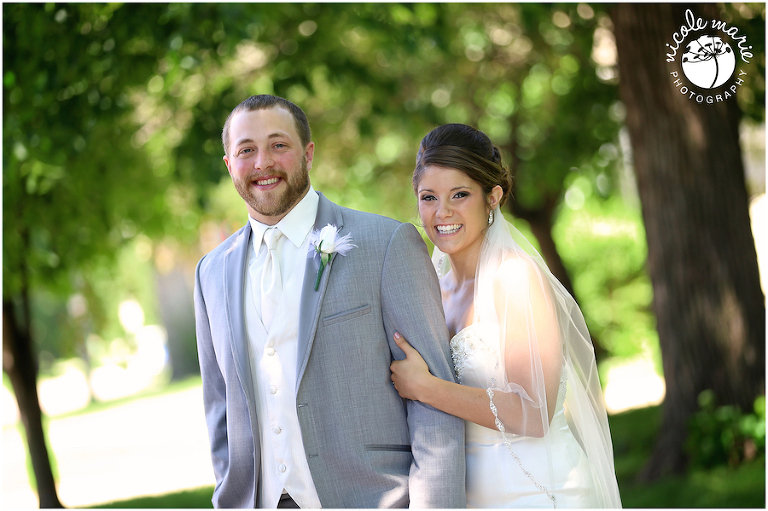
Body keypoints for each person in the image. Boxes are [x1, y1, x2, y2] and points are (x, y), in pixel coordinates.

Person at [194, 95, 466, 508]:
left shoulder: (386, 244)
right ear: (230, 164)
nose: (263, 162)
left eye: (278, 145)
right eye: (246, 150)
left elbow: (436, 401)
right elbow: (220, 409)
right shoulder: (210, 273)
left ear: (308, 153)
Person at [390, 124, 622, 508]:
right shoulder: (433, 290)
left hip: (539, 490)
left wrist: (425, 387)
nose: (442, 212)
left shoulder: (514, 276)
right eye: (429, 197)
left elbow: (534, 414)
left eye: (459, 194)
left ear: (492, 198)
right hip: (469, 494)